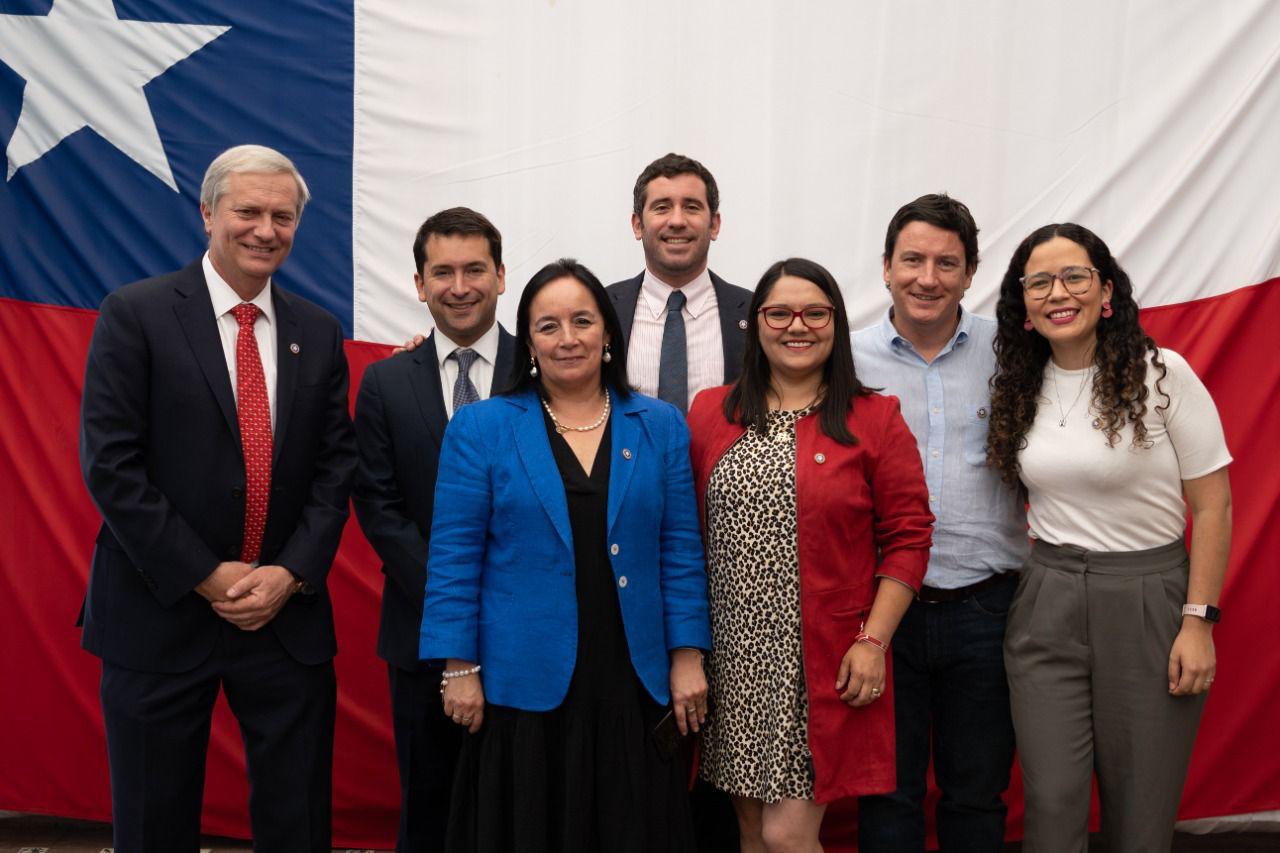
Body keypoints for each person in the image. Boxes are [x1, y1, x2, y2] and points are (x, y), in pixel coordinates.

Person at [79, 144, 356, 852]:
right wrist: (207, 573)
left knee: (298, 824)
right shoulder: (134, 314)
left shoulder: (319, 334)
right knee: (152, 825)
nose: (267, 229)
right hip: (160, 611)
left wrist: (289, 573)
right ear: (208, 213)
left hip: (283, 618)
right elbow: (112, 465)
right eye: (249, 211)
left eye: (283, 216)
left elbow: (335, 469)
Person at [420, 258, 712, 852]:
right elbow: (453, 558)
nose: (568, 338)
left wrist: (688, 657)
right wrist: (458, 668)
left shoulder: (660, 425)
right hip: (524, 683)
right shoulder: (482, 427)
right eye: (547, 325)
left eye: (583, 320)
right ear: (528, 340)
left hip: (632, 678)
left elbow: (680, 551)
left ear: (608, 332)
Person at [986, 223, 1232, 852]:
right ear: (1024, 302)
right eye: (1039, 281)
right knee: (1052, 799)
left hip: (1150, 599)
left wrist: (1198, 620)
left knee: (1140, 810)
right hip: (1047, 599)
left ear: (1106, 292)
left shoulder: (1163, 374)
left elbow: (1213, 504)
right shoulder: (1018, 385)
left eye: (1075, 276)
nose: (1057, 292)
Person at [687, 258, 934, 853]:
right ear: (755, 325)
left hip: (818, 661)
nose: (797, 326)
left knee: (786, 836)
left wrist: (873, 642)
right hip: (734, 662)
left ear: (836, 324)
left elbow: (910, 537)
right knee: (750, 835)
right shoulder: (709, 413)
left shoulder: (875, 418)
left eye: (815, 313)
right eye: (779, 312)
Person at [852, 194, 1027, 851]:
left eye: (947, 262)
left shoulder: (1012, 349)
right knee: (886, 795)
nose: (928, 276)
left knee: (977, 794)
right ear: (886, 268)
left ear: (971, 271)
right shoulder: (847, 357)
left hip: (987, 608)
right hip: (879, 614)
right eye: (913, 260)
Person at [353, 207, 515, 853]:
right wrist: (456, 604)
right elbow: (379, 506)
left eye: (475, 268)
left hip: (529, 634)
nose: (460, 285)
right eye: (441, 272)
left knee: (519, 806)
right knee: (430, 809)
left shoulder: (544, 372)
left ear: (501, 276)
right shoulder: (386, 382)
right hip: (421, 639)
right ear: (418, 284)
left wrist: (500, 603)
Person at [608, 152, 753, 414]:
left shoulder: (755, 313)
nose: (677, 221)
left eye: (692, 207)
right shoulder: (601, 310)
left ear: (714, 225)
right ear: (638, 224)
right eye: (662, 207)